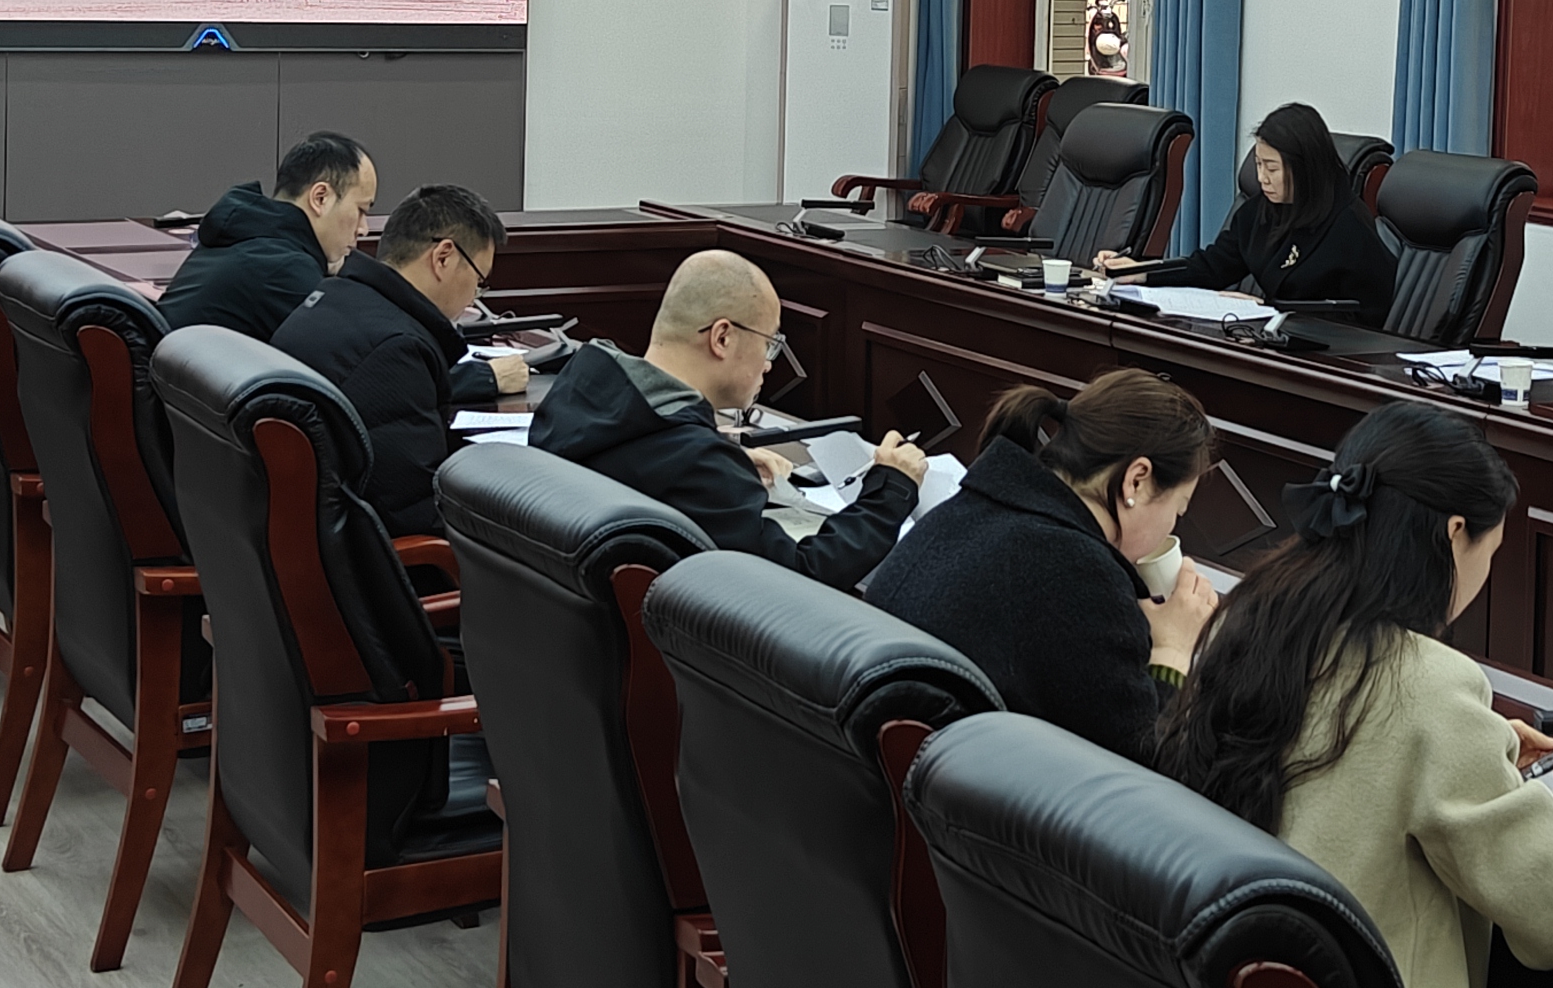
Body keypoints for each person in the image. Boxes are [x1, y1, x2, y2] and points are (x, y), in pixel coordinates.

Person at [1154, 400, 1553, 988]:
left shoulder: (1255, 620)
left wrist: (1480, 748)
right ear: (1455, 533)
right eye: (1491, 553)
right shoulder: (1431, 686)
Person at [870, 370, 1223, 759]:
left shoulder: (966, 510)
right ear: (1136, 481)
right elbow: (1145, 762)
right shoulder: (1080, 575)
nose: (1173, 526)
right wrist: (1174, 651)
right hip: (959, 785)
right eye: (1178, 509)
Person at [531, 248, 928, 593]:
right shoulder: (694, 462)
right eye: (769, 343)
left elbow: (644, 459)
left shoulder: (578, 393)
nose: (769, 364)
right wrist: (890, 490)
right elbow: (802, 576)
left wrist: (723, 457)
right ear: (722, 338)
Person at [269, 184, 514, 538]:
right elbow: (415, 515)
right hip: (368, 559)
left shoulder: (332, 297)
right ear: (443, 257)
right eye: (478, 281)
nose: (473, 299)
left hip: (294, 530)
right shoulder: (398, 351)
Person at [1092, 101, 1397, 321]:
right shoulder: (1260, 211)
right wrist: (1141, 271)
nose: (1262, 177)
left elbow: (1362, 318)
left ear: (1304, 169)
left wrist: (1270, 309)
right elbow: (1213, 267)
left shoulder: (1348, 225)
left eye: (1271, 168)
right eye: (1258, 165)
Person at [160, 132, 372, 341]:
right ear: (320, 198)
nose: (363, 229)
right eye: (361, 210)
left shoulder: (245, 237)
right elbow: (353, 348)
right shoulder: (285, 268)